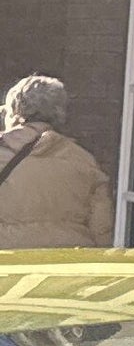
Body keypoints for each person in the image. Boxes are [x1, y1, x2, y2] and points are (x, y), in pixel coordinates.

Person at [0, 78, 113, 250]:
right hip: (66, 262)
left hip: (10, 259)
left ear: (15, 111)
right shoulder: (84, 160)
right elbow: (101, 229)